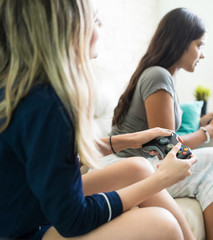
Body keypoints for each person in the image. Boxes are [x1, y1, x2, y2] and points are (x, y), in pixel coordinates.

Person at [0, 1, 197, 239]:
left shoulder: (23, 89)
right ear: (66, 28)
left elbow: (49, 157)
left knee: (137, 167)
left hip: (31, 205)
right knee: (162, 224)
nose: (101, 24)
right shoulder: (47, 103)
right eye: (94, 19)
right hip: (22, 231)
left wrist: (132, 139)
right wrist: (161, 179)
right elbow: (74, 219)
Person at [110, 7, 213, 240]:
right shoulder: (158, 75)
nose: (202, 54)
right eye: (199, 45)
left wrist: (202, 122)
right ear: (180, 42)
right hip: (131, 168)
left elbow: (163, 131)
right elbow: (169, 147)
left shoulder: (161, 74)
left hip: (143, 162)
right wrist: (209, 131)